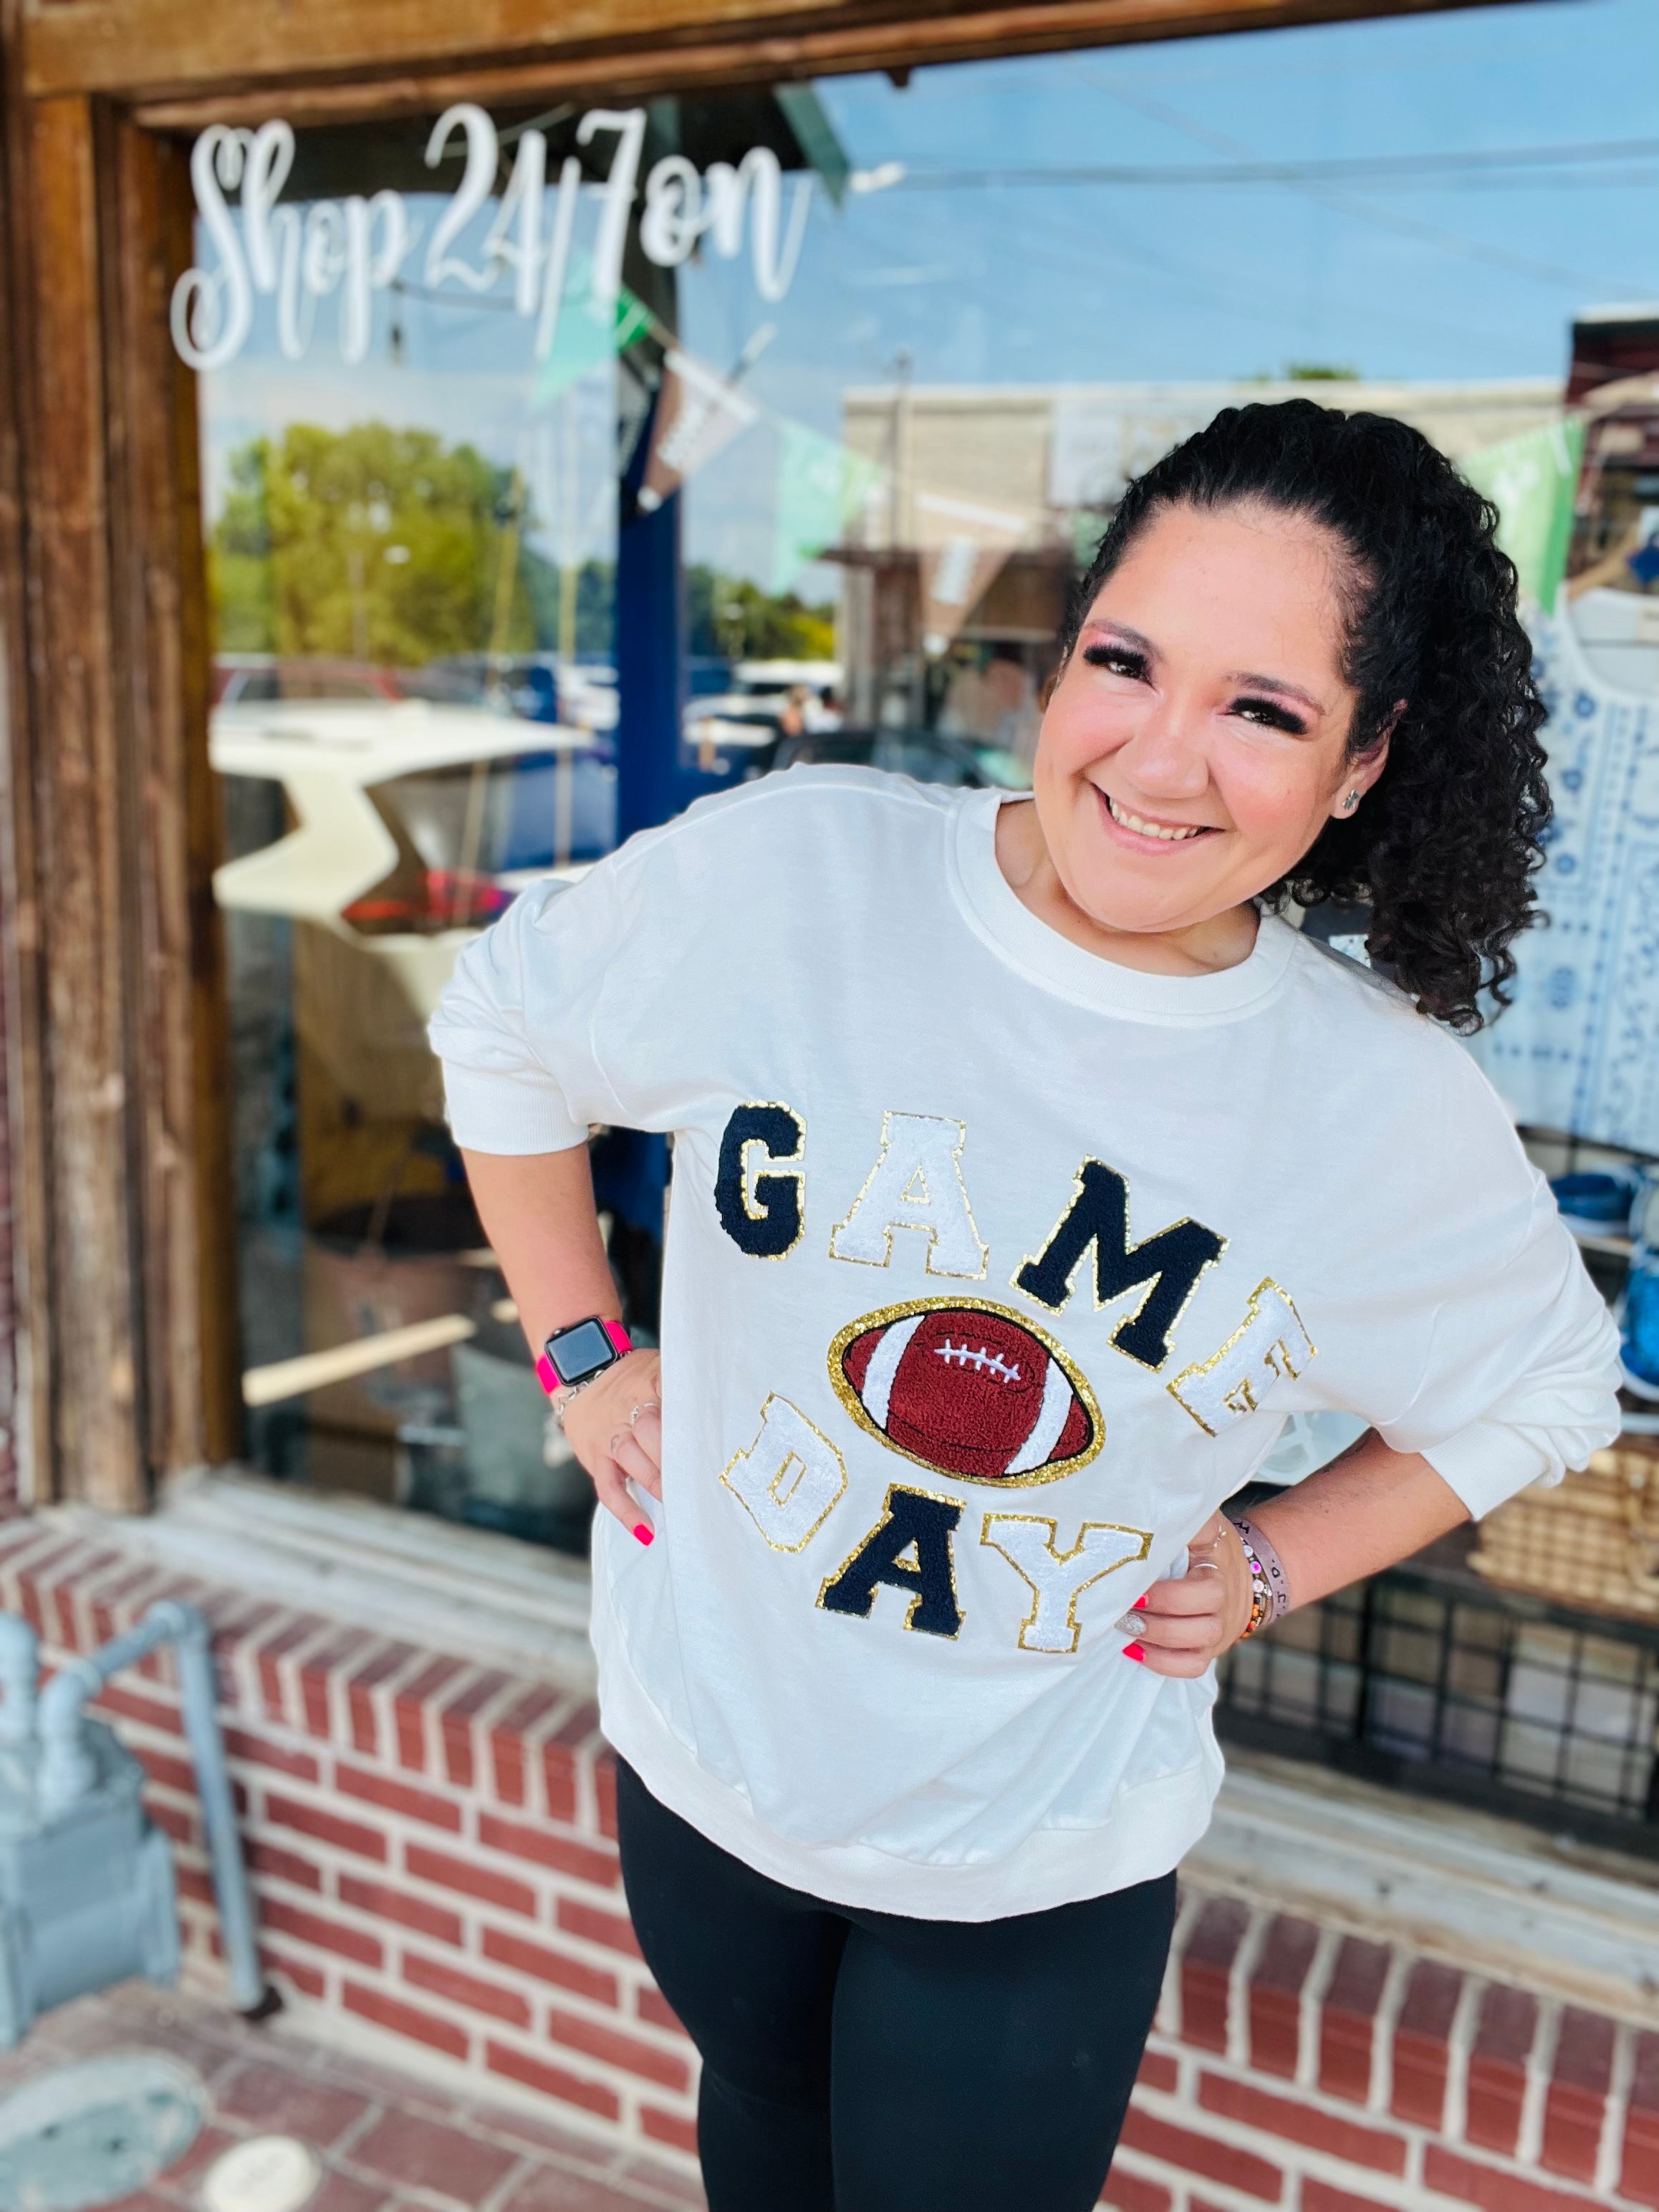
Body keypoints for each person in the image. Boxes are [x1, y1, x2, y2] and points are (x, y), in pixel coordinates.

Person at [429, 400, 1621, 2212]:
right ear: (1060, 660)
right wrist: (586, 1351)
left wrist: (1278, 1556)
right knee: (758, 2132)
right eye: (1125, 660)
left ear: (1364, 763)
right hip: (710, 1750)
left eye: (1264, 708)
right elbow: (502, 1032)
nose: (1160, 756)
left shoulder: (1369, 1102)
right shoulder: (803, 874)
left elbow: (1544, 1382)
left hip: (1029, 1847)